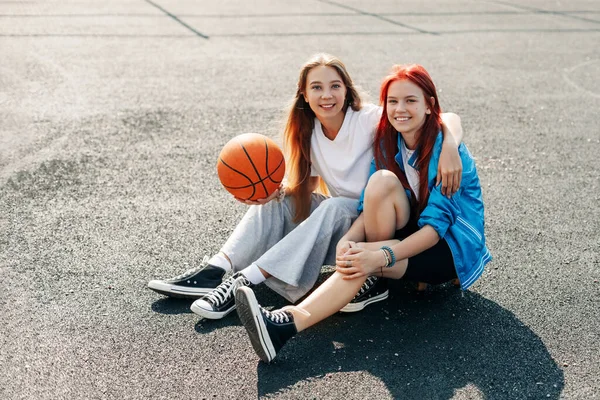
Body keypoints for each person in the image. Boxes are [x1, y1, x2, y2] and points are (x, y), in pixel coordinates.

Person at [147, 54, 465, 320]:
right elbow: (306, 188)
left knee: (336, 204)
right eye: (317, 87)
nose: (326, 95)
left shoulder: (367, 119)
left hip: (379, 224)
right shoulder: (308, 132)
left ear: (347, 91)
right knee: (281, 200)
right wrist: (277, 194)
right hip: (344, 230)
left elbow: (446, 116)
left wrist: (449, 146)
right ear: (304, 93)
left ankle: (247, 279)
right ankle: (216, 270)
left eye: (334, 86)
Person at [235, 63, 492, 363]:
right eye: (393, 102)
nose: (400, 109)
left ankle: (286, 323)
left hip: (447, 249)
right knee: (379, 185)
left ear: (428, 105)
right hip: (411, 232)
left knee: (363, 261)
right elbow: (365, 208)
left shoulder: (447, 155)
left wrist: (380, 256)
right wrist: (351, 239)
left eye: (410, 101)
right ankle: (288, 322)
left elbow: (435, 230)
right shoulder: (387, 140)